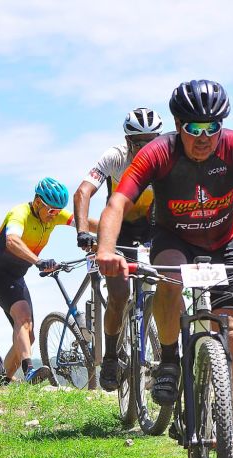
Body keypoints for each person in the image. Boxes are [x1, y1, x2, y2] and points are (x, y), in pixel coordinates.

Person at [95, 79, 233, 458]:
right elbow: (118, 201)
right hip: (175, 240)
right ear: (178, 124)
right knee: (169, 278)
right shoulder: (158, 152)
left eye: (213, 127)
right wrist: (106, 249)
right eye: (194, 128)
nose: (204, 137)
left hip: (224, 242)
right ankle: (171, 358)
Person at [73, 107, 164, 391]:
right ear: (127, 142)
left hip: (153, 227)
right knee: (119, 294)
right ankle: (111, 356)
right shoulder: (115, 157)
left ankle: (170, 357)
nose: (146, 148)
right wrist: (83, 231)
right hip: (118, 230)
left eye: (152, 141)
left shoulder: (165, 157)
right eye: (139, 143)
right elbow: (83, 191)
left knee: (171, 284)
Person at [0, 177, 97, 383]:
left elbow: (84, 222)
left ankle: (0, 380)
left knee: (29, 334)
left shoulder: (55, 215)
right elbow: (12, 240)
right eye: (50, 210)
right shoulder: (20, 213)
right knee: (23, 318)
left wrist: (115, 229)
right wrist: (38, 261)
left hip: (16, 275)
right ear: (37, 202)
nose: (54, 216)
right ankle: (29, 371)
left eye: (57, 211)